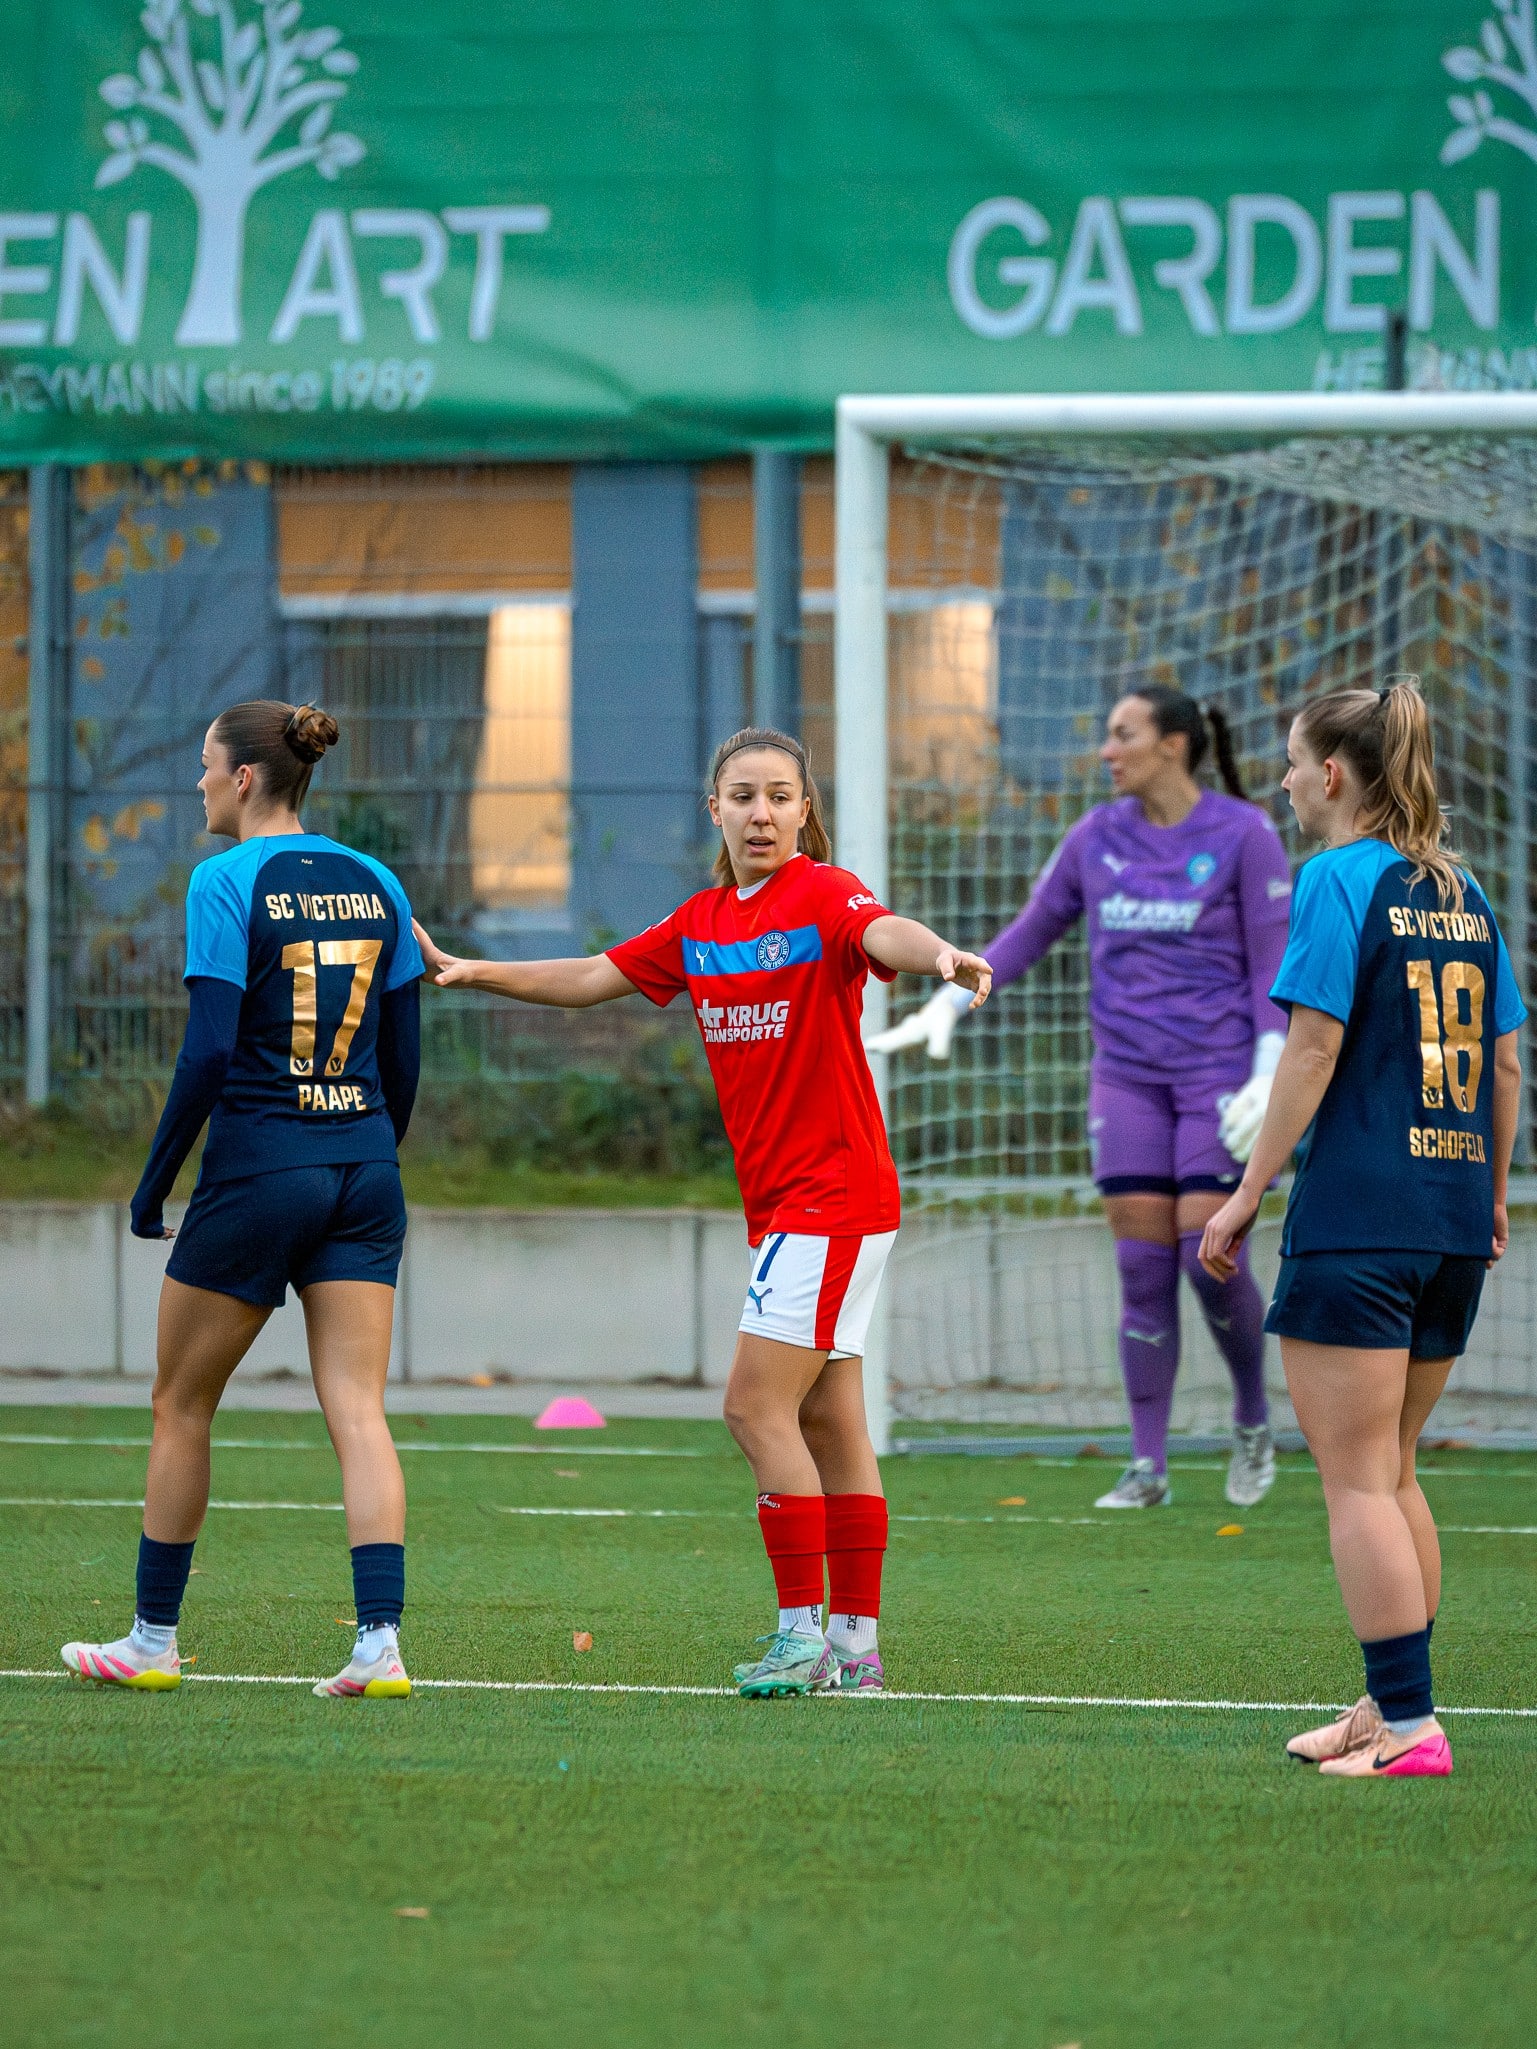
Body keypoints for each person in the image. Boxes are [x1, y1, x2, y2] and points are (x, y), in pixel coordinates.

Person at [412, 726, 991, 1697]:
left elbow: (879, 931)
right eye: (742, 796)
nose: (760, 813)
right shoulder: (701, 923)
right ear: (712, 810)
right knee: (829, 1422)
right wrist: (474, 973)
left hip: (833, 1197)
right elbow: (594, 975)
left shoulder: (826, 894)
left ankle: (801, 1635)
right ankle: (855, 1655)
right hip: (793, 1209)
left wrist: (939, 957)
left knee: (750, 1405)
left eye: (778, 796)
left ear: (805, 810)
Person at [60, 700, 425, 1701]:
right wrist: (358, 1157)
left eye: (205, 766)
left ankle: (151, 1641)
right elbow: (403, 1059)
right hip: (363, 1171)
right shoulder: (380, 881)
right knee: (358, 1408)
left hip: (262, 1168)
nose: (197, 784)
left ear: (245, 781)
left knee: (180, 1403)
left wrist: (154, 1181)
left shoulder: (224, 880)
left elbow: (212, 1049)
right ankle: (379, 1645)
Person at [1201, 678, 1523, 1778]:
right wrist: (1488, 1193)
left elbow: (1311, 1048)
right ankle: (1386, 1706)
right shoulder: (1463, 890)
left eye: (1293, 761)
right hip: (1449, 1216)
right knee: (1392, 1469)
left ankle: (1411, 1725)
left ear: (1332, 775)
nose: (1286, 779)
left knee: (1355, 1481)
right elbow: (1510, 1061)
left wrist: (1247, 1193)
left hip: (1359, 1218)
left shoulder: (1336, 878)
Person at [869, 686, 1292, 1508]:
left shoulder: (1245, 833)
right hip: (1126, 1078)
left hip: (1221, 1081)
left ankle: (1250, 1416)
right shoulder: (1096, 836)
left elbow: (1271, 958)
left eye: (1121, 733)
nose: (1107, 749)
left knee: (1206, 1260)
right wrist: (947, 998)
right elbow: (1028, 930)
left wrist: (1268, 1067)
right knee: (1140, 1270)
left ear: (1172, 744)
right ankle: (1147, 1465)